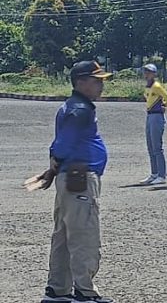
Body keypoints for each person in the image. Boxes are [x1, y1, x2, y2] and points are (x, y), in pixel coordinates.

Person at [39, 61, 115, 303]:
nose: (101, 85)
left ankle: (58, 289)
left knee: (63, 235)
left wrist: (55, 164)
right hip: (79, 179)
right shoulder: (80, 109)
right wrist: (58, 160)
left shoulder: (72, 106)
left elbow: (58, 143)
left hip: (70, 178)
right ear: (80, 82)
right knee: (84, 235)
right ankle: (84, 291)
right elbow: (64, 143)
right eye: (96, 80)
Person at [141, 63, 167, 185]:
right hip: (149, 115)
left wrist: (164, 105)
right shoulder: (148, 86)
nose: (147, 74)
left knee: (157, 146)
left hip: (157, 116)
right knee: (150, 146)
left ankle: (162, 175)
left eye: (149, 72)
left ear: (154, 73)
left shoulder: (157, 85)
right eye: (145, 71)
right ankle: (154, 173)